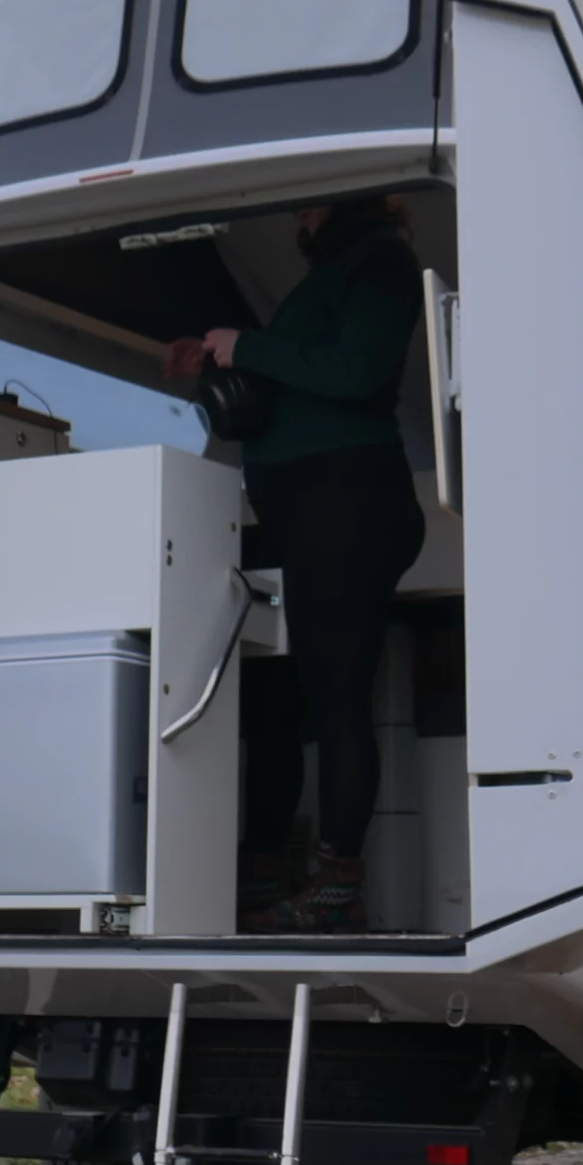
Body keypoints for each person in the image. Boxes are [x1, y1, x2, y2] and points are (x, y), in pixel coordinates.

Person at [167, 196, 424, 932]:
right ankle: (264, 867)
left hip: (351, 503)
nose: (301, 217)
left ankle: (337, 886)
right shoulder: (328, 278)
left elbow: (359, 371)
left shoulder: (383, 261)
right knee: (277, 695)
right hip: (303, 513)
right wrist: (216, 362)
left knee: (337, 693)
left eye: (313, 204)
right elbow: (302, 383)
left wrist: (248, 348)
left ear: (354, 200)